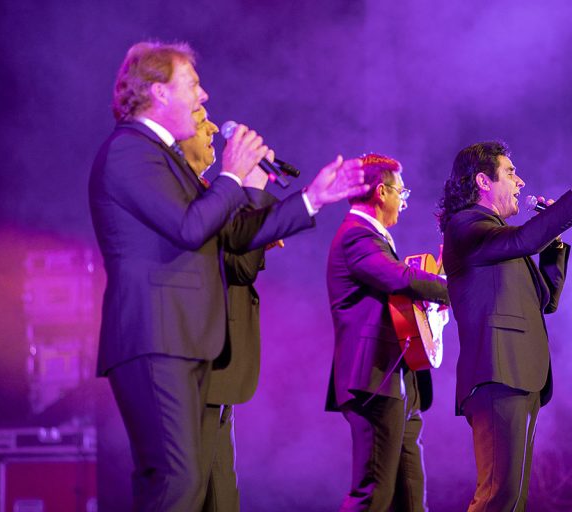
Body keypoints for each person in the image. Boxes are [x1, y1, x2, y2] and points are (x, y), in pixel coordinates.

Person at [89, 41, 367, 511]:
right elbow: (190, 226)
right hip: (155, 337)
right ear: (158, 92)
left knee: (188, 483)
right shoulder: (129, 151)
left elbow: (233, 235)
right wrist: (232, 175)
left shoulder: (163, 156)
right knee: (177, 481)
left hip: (183, 339)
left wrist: (312, 199)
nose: (204, 96)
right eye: (192, 84)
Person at [438, 141, 572, 512]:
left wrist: (553, 242)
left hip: (518, 375)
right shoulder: (466, 227)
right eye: (510, 173)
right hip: (497, 375)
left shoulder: (500, 241)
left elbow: (546, 300)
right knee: (498, 496)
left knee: (511, 500)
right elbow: (524, 239)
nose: (521, 182)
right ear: (483, 181)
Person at [325, 154, 449, 511]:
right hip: (373, 380)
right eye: (401, 192)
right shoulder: (356, 235)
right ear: (381, 192)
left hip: (397, 378)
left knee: (410, 497)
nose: (404, 202)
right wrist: (452, 287)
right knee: (374, 494)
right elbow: (400, 278)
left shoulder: (374, 237)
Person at [180, 106, 277, 511]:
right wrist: (254, 192)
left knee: (222, 496)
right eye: (201, 120)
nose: (214, 129)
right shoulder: (185, 194)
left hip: (216, 366)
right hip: (197, 366)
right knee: (192, 495)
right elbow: (239, 267)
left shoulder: (202, 191)